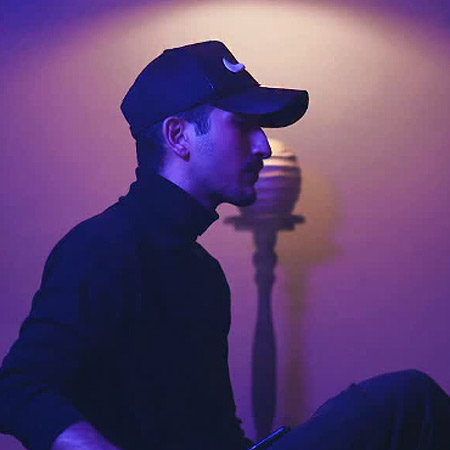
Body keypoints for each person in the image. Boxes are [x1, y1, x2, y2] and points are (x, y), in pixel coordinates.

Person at [0, 40, 449, 450]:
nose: (264, 146)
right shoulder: (101, 249)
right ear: (178, 136)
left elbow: (213, 430)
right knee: (409, 398)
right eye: (243, 125)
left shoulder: (203, 273)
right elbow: (18, 388)